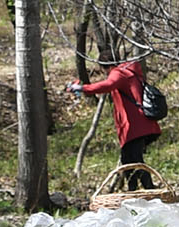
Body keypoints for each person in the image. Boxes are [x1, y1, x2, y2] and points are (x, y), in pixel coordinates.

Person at [69, 57, 163, 193]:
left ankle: (148, 190)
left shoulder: (119, 73)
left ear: (104, 67)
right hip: (140, 125)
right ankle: (134, 191)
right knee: (128, 160)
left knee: (134, 160)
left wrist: (83, 88)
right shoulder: (130, 72)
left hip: (135, 126)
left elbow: (107, 85)